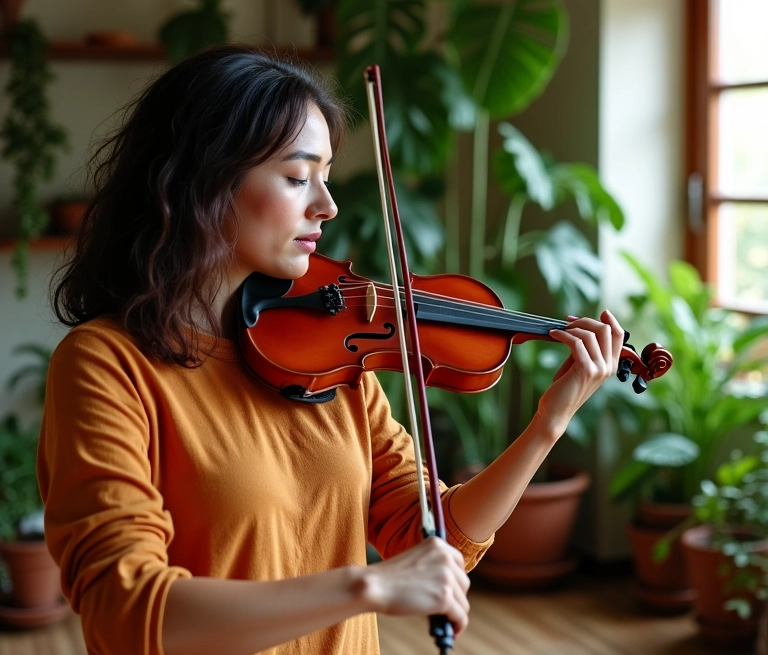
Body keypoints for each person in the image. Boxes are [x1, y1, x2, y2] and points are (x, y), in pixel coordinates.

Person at [38, 45, 624, 655]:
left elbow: (435, 536)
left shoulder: (326, 358)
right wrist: (365, 586)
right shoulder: (105, 366)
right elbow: (126, 610)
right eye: (297, 178)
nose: (328, 205)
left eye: (324, 176)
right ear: (203, 179)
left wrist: (547, 425)